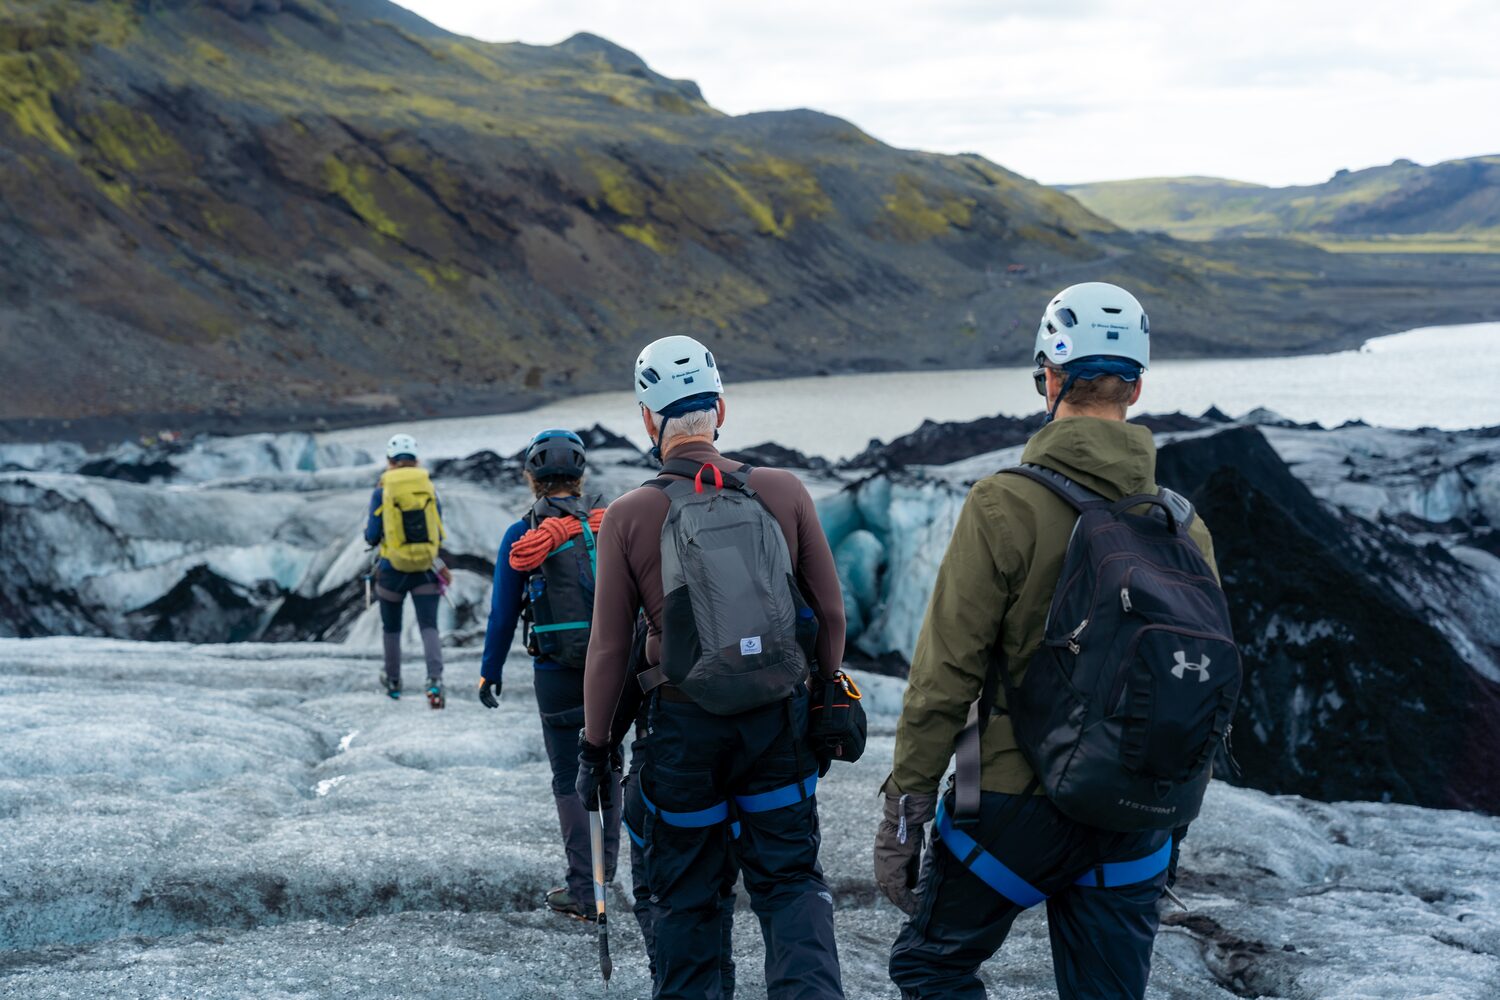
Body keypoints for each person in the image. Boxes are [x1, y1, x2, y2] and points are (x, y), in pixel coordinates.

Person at [875, 283, 1224, 999]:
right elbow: (1202, 680)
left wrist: (906, 805)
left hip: (1010, 800)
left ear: (1053, 378)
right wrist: (1172, 820)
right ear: (1134, 387)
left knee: (930, 967)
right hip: (1136, 813)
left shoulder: (1004, 501)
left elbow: (947, 674)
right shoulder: (1185, 526)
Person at [577, 335, 848, 1000]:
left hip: (682, 740)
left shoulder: (630, 515)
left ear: (648, 419)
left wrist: (595, 748)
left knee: (685, 899)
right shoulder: (782, 491)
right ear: (719, 407)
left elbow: (610, 648)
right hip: (775, 729)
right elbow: (832, 616)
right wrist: (819, 700)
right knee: (790, 885)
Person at [476, 429, 622, 921]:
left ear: (531, 477)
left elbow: (502, 614)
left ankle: (585, 891)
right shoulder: (608, 523)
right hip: (615, 667)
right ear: (580, 476)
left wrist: (488, 672)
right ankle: (609, 878)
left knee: (568, 776)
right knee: (611, 766)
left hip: (557, 670)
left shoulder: (523, 534)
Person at [364, 433, 450, 708]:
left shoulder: (382, 491)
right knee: (429, 626)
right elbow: (437, 530)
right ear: (416, 460)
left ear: (390, 461)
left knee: (392, 628)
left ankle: (393, 682)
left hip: (392, 570)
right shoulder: (428, 489)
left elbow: (371, 535)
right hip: (425, 567)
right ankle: (435, 682)